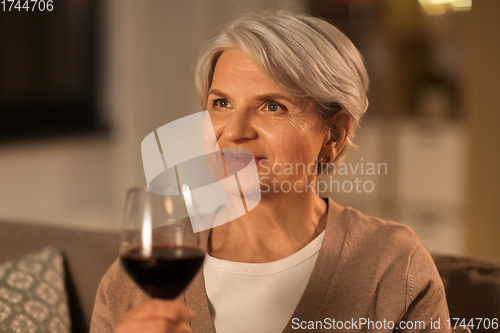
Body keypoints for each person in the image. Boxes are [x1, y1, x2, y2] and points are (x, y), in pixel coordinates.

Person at [90, 11, 451, 333]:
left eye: (272, 106)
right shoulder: (138, 273)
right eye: (222, 103)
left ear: (334, 135)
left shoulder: (392, 265)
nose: (234, 131)